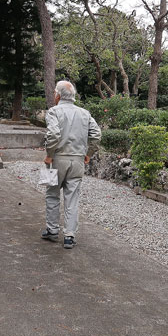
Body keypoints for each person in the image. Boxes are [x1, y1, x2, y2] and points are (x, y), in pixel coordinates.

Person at [41, 80, 101, 249]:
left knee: (52, 194)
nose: (54, 95)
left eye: (54, 93)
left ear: (58, 95)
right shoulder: (84, 113)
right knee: (72, 198)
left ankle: (52, 230)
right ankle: (69, 236)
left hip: (58, 158)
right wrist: (88, 154)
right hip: (77, 160)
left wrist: (49, 154)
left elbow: (53, 134)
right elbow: (96, 135)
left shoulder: (54, 112)